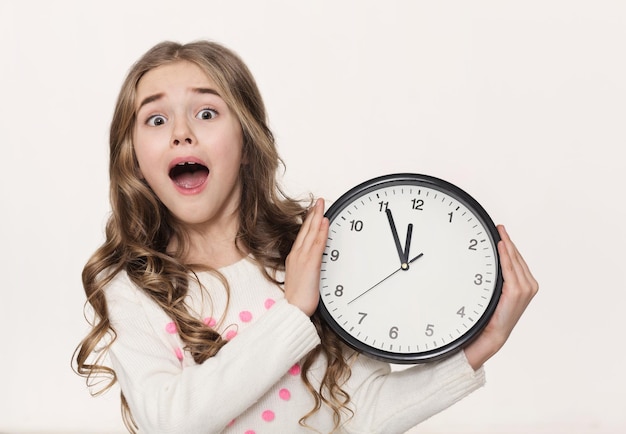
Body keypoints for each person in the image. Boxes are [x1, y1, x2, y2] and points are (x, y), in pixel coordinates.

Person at [73, 40, 538, 434]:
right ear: (134, 157)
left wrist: (480, 348)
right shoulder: (132, 287)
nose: (181, 133)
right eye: (156, 119)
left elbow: (364, 410)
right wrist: (292, 312)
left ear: (248, 145)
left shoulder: (313, 256)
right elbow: (171, 421)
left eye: (207, 112)